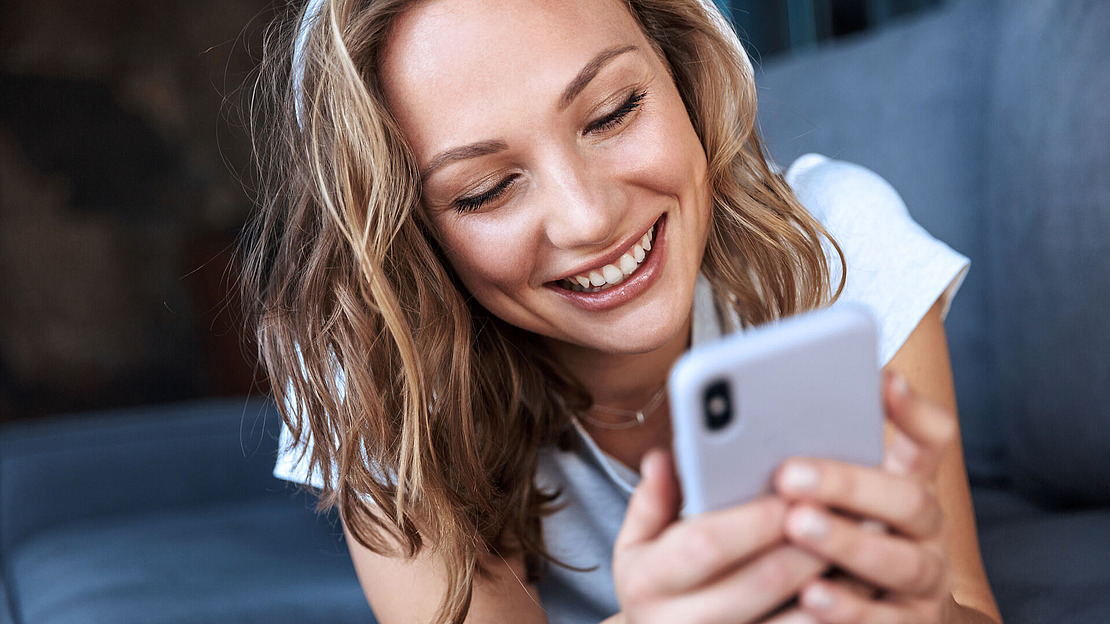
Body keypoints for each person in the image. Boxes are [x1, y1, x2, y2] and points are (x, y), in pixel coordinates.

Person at [242, 0, 1003, 622]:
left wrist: (925, 609)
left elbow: (967, 606)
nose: (587, 218)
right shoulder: (376, 365)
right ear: (413, 239)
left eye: (613, 112)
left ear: (684, 74)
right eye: (484, 190)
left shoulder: (838, 243)